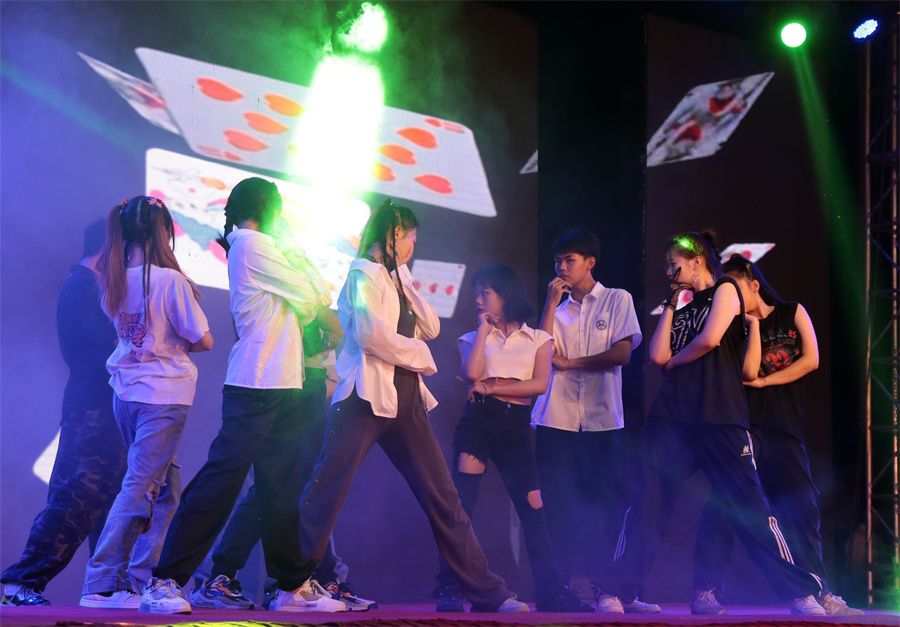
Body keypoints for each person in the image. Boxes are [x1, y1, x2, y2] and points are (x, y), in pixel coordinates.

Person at [296, 199, 528, 613]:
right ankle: (291, 583)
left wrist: (403, 277)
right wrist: (420, 355)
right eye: (411, 240)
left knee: (443, 497)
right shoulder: (362, 274)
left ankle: (487, 592)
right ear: (394, 234)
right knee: (326, 489)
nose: (413, 248)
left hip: (405, 396)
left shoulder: (395, 277)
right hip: (365, 395)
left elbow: (432, 326)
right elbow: (370, 336)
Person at [142, 178, 345, 614]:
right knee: (221, 481)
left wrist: (306, 292)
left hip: (282, 382)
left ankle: (290, 587)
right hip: (255, 383)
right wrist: (303, 284)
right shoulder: (253, 244)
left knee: (279, 489)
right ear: (269, 211)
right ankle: (165, 581)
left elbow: (315, 297)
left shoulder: (256, 247)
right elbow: (313, 294)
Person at [616, 231, 825, 615]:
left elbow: (711, 339)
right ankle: (619, 590)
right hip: (674, 416)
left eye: (674, 263)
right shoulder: (681, 305)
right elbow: (657, 355)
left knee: (749, 506)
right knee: (650, 501)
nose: (668, 271)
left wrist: (677, 361)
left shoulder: (726, 289)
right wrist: (671, 305)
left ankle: (798, 592)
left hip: (720, 416)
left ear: (696, 260)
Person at [690, 254, 862, 616]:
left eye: (736, 288)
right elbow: (744, 374)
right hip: (743, 428)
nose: (730, 297)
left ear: (754, 285)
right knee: (724, 509)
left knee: (803, 508)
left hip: (783, 427)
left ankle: (820, 591)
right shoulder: (732, 328)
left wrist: (766, 382)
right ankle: (705, 591)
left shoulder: (791, 312)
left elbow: (810, 360)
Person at [80, 197, 213, 609]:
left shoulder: (113, 280)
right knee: (141, 486)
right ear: (162, 233)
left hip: (127, 395)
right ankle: (103, 583)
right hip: (163, 396)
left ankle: (140, 581)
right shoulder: (170, 281)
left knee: (165, 489)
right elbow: (204, 340)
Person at [433, 264, 591, 613]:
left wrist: (492, 386)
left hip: (515, 427)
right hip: (478, 422)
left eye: (484, 292)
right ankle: (449, 587)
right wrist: (483, 331)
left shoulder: (538, 339)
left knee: (533, 510)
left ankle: (551, 591)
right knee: (462, 507)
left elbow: (539, 384)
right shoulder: (471, 338)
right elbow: (470, 373)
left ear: (505, 295)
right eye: (476, 292)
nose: (477, 299)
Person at [191, 320, 376, 611]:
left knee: (293, 489)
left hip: (309, 383)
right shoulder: (289, 300)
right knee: (275, 488)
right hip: (281, 383)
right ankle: (224, 576)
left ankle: (302, 580)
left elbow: (328, 354)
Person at [1, 220, 127, 607]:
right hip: (91, 408)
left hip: (103, 407)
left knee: (110, 499)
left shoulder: (90, 286)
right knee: (76, 495)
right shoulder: (81, 286)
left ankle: (106, 585)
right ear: (108, 248)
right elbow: (94, 349)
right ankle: (21, 582)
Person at [530, 229, 655, 614]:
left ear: (590, 262)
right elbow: (541, 353)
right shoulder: (557, 309)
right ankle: (563, 589)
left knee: (605, 505)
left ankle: (608, 589)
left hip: (602, 420)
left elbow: (622, 354)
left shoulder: (617, 299)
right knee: (558, 506)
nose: (561, 267)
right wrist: (550, 304)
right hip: (556, 418)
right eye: (557, 260)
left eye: (569, 260)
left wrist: (571, 364)